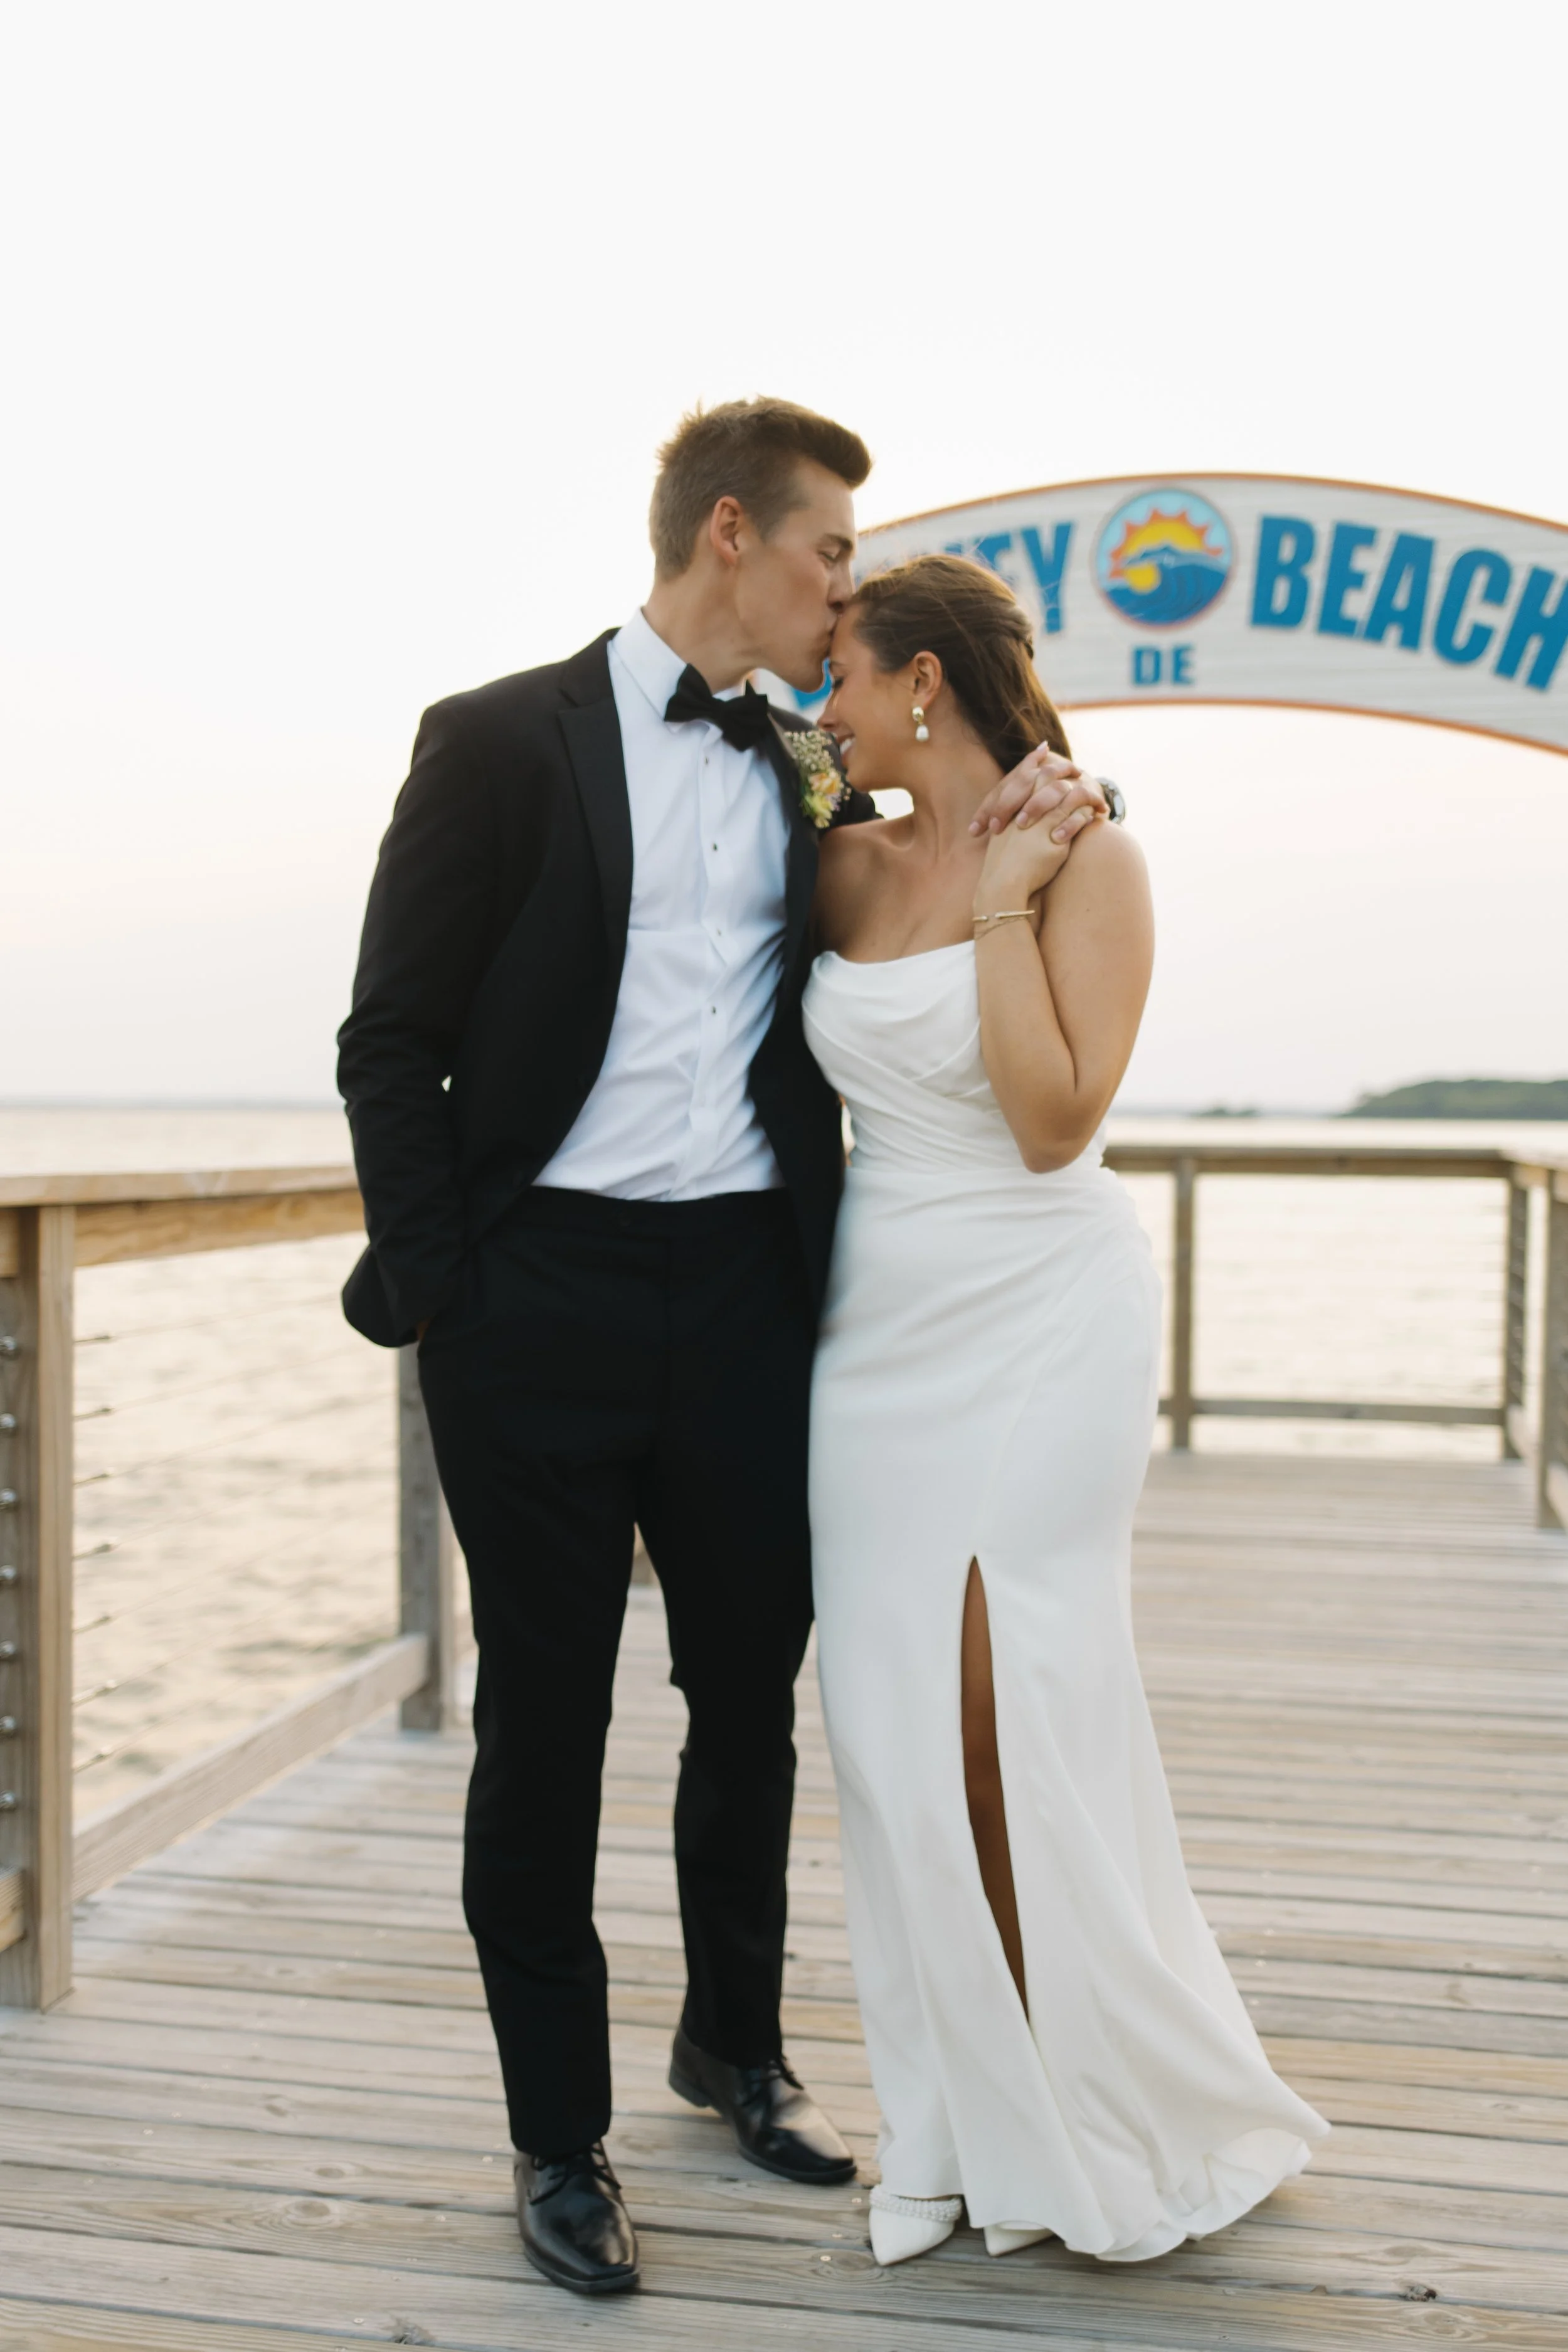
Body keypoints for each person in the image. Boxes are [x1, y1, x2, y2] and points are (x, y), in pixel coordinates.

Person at [336, 404, 1110, 2296]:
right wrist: (451, 1290)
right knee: (546, 1727)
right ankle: (558, 2139)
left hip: (757, 1312)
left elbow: (920, 903)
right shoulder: (496, 739)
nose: (846, 586)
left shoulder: (804, 767)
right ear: (736, 537)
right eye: (832, 551)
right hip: (537, 1308)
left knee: (751, 1706)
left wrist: (1041, 818)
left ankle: (733, 2045)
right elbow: (390, 1038)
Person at [804, 554, 1328, 2270]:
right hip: (873, 1335)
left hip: (1040, 1312)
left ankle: (1078, 2105)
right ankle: (947, 2120)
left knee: (1006, 1709)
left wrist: (1010, 897)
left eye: (847, 681)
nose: (828, 709)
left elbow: (1045, 1118)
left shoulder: (1097, 859)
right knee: (886, 1733)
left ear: (925, 685)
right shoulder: (837, 862)